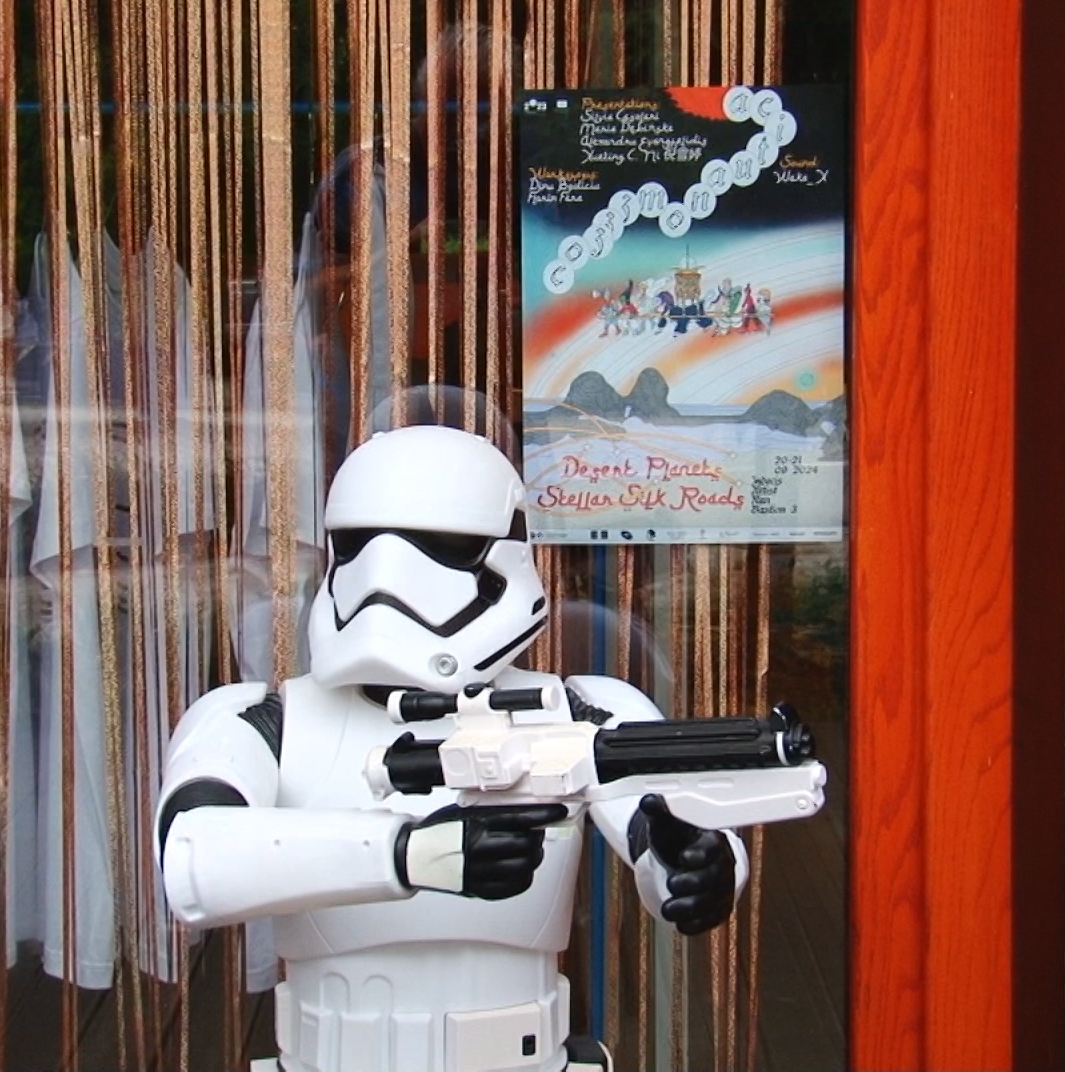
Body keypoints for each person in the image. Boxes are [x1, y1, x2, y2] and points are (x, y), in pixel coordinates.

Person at [154, 426, 745, 1072]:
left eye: (440, 547)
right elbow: (192, 857)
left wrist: (702, 866)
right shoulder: (264, 719)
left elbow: (667, 837)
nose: (387, 576)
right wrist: (409, 854)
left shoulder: (577, 709)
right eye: (357, 544)